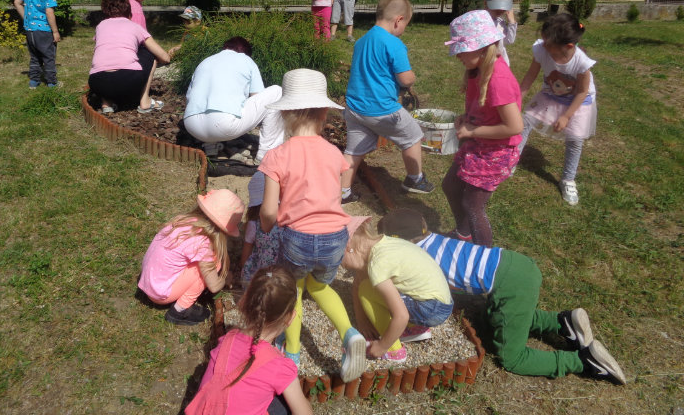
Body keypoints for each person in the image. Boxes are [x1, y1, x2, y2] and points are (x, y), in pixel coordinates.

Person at [379, 210, 626, 385]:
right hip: (513, 262)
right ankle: (562, 322)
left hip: (511, 285)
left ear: (400, 243)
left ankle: (585, 361)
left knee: (512, 357)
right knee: (495, 318)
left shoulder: (418, 258)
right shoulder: (435, 239)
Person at [259, 68, 366, 383]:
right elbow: (336, 193)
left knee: (292, 289)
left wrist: (268, 227)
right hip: (335, 237)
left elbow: (268, 210)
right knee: (320, 286)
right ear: (323, 115)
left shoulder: (277, 156)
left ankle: (292, 351)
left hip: (298, 238)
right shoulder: (333, 153)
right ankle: (349, 334)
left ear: (285, 114)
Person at [340, 0, 433, 203]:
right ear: (398, 20)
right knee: (413, 136)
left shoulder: (361, 41)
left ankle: (343, 192)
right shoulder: (393, 43)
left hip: (355, 108)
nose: (403, 30)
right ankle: (415, 179)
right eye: (405, 24)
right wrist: (411, 78)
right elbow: (405, 78)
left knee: (353, 151)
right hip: (382, 109)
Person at [442, 10, 523, 247]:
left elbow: (514, 126)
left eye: (461, 50)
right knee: (451, 186)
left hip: (496, 151)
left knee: (473, 205)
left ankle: (483, 257)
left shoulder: (498, 80)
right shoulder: (477, 71)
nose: (458, 56)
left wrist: (472, 132)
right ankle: (463, 234)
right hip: (478, 143)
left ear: (481, 48)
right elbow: (484, 109)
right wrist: (466, 118)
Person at [185, 266, 312, 415]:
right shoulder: (279, 366)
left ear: (245, 302)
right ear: (290, 318)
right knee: (283, 404)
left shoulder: (227, 339)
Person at [344, 217, 453, 364]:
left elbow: (401, 315)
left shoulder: (377, 265)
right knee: (370, 285)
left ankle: (394, 350)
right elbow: (358, 281)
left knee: (366, 291)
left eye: (339, 259)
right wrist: (362, 321)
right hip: (441, 302)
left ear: (349, 248)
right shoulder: (383, 244)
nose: (340, 265)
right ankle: (412, 329)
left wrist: (382, 346)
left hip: (431, 309)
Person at [516, 13, 597, 206]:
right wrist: (516, 100)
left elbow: (582, 91)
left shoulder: (581, 62)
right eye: (543, 40)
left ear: (568, 46)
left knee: (575, 140)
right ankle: (511, 159)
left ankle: (568, 179)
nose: (544, 45)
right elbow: (530, 76)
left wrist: (566, 116)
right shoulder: (541, 50)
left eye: (548, 43)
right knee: (524, 121)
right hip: (551, 94)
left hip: (578, 101)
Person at [137, 189, 244, 326]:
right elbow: (214, 286)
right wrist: (223, 279)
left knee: (204, 263)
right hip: (159, 293)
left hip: (149, 280)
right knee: (211, 265)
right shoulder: (202, 243)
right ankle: (180, 310)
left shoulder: (184, 220)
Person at [183, 37, 285, 162]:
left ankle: (210, 147)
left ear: (225, 47)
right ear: (245, 52)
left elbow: (189, 99)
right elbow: (257, 97)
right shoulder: (246, 60)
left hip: (192, 126)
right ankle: (266, 156)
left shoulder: (205, 61)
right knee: (276, 92)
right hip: (223, 126)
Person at [88, 0, 170, 113]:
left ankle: (107, 103)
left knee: (104, 55)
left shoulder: (100, 26)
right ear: (130, 14)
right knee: (148, 53)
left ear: (104, 13)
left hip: (97, 83)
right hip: (128, 80)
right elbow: (165, 58)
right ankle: (145, 101)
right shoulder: (135, 26)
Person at [14, 0, 61, 89]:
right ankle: (52, 82)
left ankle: (34, 81)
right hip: (44, 31)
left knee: (35, 56)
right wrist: (55, 31)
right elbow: (49, 12)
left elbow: (17, 2)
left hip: (30, 30)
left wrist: (26, 18)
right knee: (49, 56)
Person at [239, 171, 282, 287]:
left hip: (260, 272)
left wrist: (244, 268)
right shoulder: (285, 221)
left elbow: (247, 250)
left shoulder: (253, 224)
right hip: (281, 271)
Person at [485, 0, 518, 67]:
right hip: (486, 63)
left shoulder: (500, 22)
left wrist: (511, 22)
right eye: (496, 6)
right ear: (486, 3)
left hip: (501, 62)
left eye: (503, 6)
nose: (500, 10)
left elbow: (509, 40)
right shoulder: (482, 21)